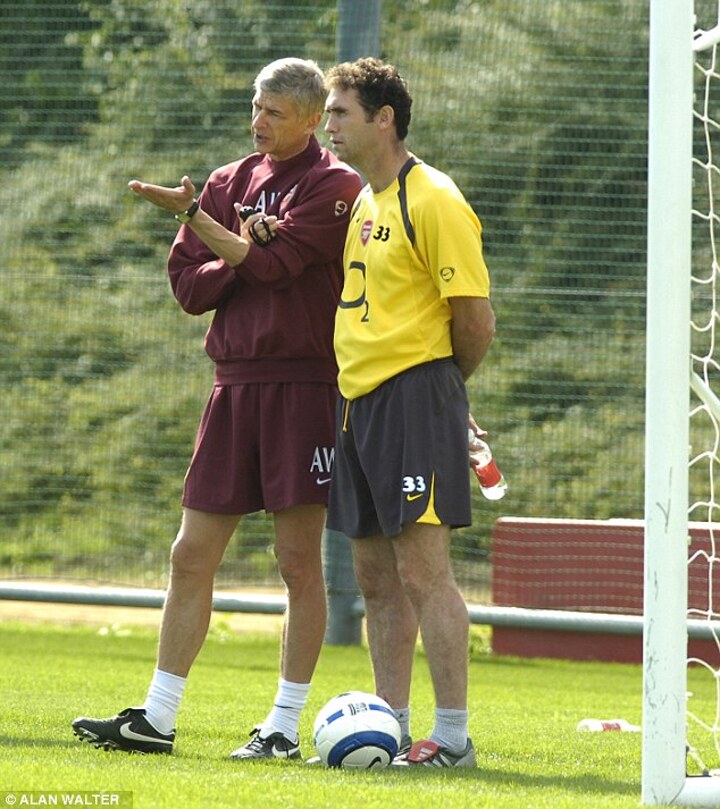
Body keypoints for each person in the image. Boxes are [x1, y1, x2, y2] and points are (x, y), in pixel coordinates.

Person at [71, 57, 362, 759]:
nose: (258, 121)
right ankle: (156, 719)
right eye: (255, 107)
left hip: (304, 388)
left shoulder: (335, 185)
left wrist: (208, 227)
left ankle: (281, 728)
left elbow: (275, 267)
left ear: (311, 119)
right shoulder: (230, 181)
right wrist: (235, 249)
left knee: (297, 561)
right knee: (190, 553)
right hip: (231, 386)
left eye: (274, 113)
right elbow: (188, 287)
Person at [323, 57, 496, 768]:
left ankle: (452, 735)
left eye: (340, 112)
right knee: (374, 577)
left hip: (415, 398)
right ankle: (387, 727)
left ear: (383, 118)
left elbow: (475, 321)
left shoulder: (436, 199)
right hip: (357, 402)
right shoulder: (366, 203)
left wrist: (441, 395)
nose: (329, 125)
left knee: (425, 573)